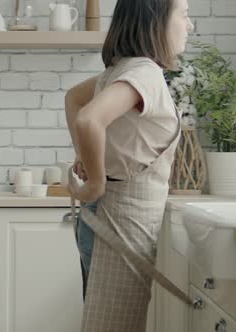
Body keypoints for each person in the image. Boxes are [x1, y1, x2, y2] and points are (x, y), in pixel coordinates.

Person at [64, 0, 193, 330]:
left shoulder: (122, 70)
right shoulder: (144, 73)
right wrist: (94, 181)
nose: (189, 25)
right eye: (184, 14)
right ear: (156, 21)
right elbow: (89, 117)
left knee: (104, 321)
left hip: (108, 219)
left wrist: (87, 158)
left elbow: (74, 99)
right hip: (123, 220)